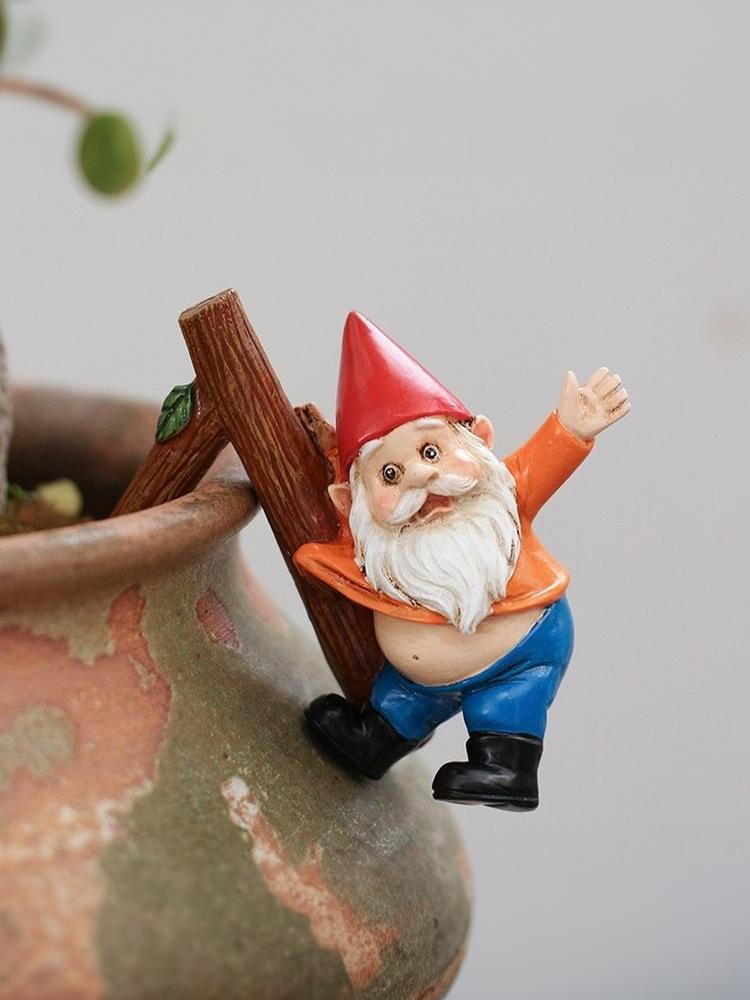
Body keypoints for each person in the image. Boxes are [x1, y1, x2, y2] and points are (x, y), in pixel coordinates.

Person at [295, 312, 630, 810]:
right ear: (350, 502)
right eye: (390, 474)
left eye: (431, 451)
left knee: (507, 705)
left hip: (522, 652)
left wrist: (572, 428)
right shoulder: (372, 545)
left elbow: (545, 460)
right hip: (417, 682)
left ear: (481, 440)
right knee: (400, 701)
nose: (418, 477)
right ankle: (375, 741)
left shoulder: (504, 494)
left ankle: (507, 767)